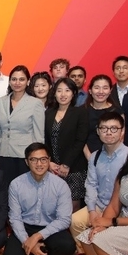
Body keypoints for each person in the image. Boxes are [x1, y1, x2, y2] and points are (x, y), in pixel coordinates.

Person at [3, 143, 76, 255]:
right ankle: (29, 254)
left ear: (49, 160)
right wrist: (26, 241)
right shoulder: (16, 184)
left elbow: (64, 219)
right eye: (33, 160)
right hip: (25, 227)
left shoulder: (60, 185)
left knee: (68, 247)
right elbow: (14, 218)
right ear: (26, 162)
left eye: (43, 159)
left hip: (50, 228)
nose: (39, 164)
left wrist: (36, 237)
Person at [69, 112, 128, 255]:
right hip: (99, 205)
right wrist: (92, 210)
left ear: (122, 131)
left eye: (114, 128)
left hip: (122, 210)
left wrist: (105, 218)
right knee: (75, 221)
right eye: (104, 128)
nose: (108, 132)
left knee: (106, 231)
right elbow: (91, 185)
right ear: (98, 131)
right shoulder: (95, 157)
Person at [0, 65, 45, 184]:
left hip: (25, 157)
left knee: (25, 191)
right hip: (4, 154)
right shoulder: (1, 101)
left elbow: (39, 136)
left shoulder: (35, 103)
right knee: (5, 191)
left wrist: (38, 159)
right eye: (14, 79)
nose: (17, 82)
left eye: (21, 79)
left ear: (28, 82)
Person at [45, 78, 88, 212]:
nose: (63, 94)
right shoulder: (48, 113)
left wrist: (66, 164)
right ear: (54, 93)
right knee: (55, 203)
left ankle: (73, 233)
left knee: (73, 205)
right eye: (59, 90)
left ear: (74, 93)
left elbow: (80, 140)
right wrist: (49, 162)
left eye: (67, 90)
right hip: (53, 167)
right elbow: (45, 140)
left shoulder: (80, 113)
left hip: (74, 166)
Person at [83, 75, 123, 159]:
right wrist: (90, 158)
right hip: (85, 157)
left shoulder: (117, 111)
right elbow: (79, 138)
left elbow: (120, 136)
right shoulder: (82, 111)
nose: (101, 91)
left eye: (105, 88)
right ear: (90, 90)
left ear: (110, 90)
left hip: (112, 157)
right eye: (97, 88)